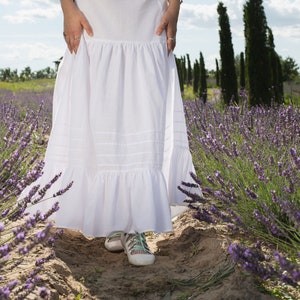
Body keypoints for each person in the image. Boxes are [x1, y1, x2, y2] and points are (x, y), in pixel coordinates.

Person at [26, 0, 200, 266]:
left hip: (145, 22)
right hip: (96, 17)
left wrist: (174, 7)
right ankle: (118, 222)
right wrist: (68, 9)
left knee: (143, 113)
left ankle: (134, 227)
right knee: (101, 116)